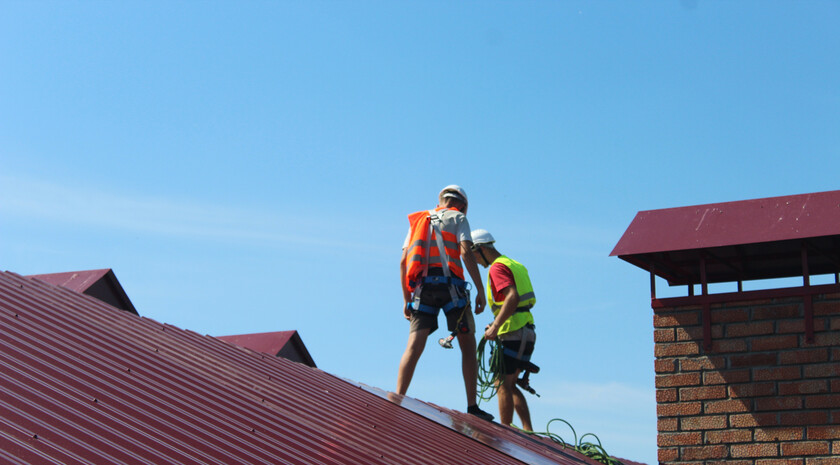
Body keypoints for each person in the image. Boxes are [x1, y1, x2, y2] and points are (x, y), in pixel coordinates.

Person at [397, 185, 493, 421]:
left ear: (440, 200)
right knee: (467, 345)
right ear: (463, 205)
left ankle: (397, 397)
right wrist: (481, 289)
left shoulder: (420, 220)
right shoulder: (458, 218)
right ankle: (472, 406)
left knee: (414, 345)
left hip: (423, 288)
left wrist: (406, 299)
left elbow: (403, 262)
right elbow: (466, 253)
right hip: (453, 289)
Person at [470, 228, 536, 431]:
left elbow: (512, 297)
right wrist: (497, 322)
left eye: (473, 256)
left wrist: (496, 326)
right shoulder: (513, 263)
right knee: (510, 383)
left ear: (479, 249)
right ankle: (528, 430)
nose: (475, 262)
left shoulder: (496, 268)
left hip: (513, 331)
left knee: (501, 383)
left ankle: (505, 430)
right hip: (527, 329)